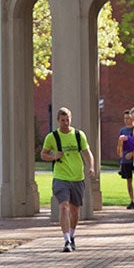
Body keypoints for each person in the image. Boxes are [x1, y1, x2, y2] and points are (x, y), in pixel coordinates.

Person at [40, 107, 94, 252]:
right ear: (58, 120)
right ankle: (66, 240)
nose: (65, 122)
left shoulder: (78, 135)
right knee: (64, 207)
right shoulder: (52, 137)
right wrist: (53, 157)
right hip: (60, 177)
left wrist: (91, 167)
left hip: (77, 177)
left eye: (67, 119)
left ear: (71, 118)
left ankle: (72, 235)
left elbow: (87, 153)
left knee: (75, 210)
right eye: (62, 120)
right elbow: (43, 154)